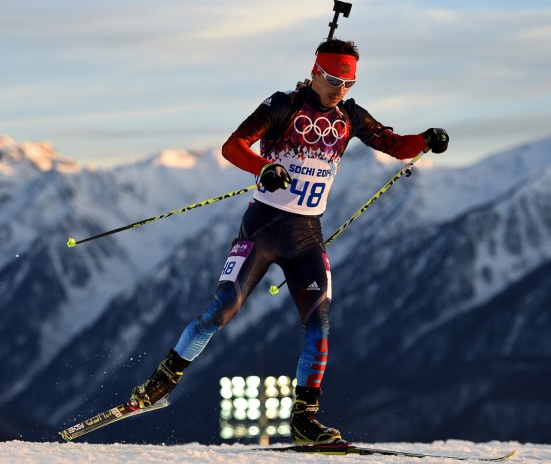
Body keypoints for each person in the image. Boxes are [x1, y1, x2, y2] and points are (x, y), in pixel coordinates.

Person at [130, 38, 449, 444]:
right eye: (333, 79)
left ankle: (304, 420)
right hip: (263, 228)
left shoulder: (350, 115)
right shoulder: (282, 105)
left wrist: (426, 139)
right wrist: (264, 168)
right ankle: (163, 380)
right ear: (315, 71)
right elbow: (233, 147)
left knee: (319, 322)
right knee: (224, 307)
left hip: (306, 235)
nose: (339, 90)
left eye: (348, 83)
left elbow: (395, 145)